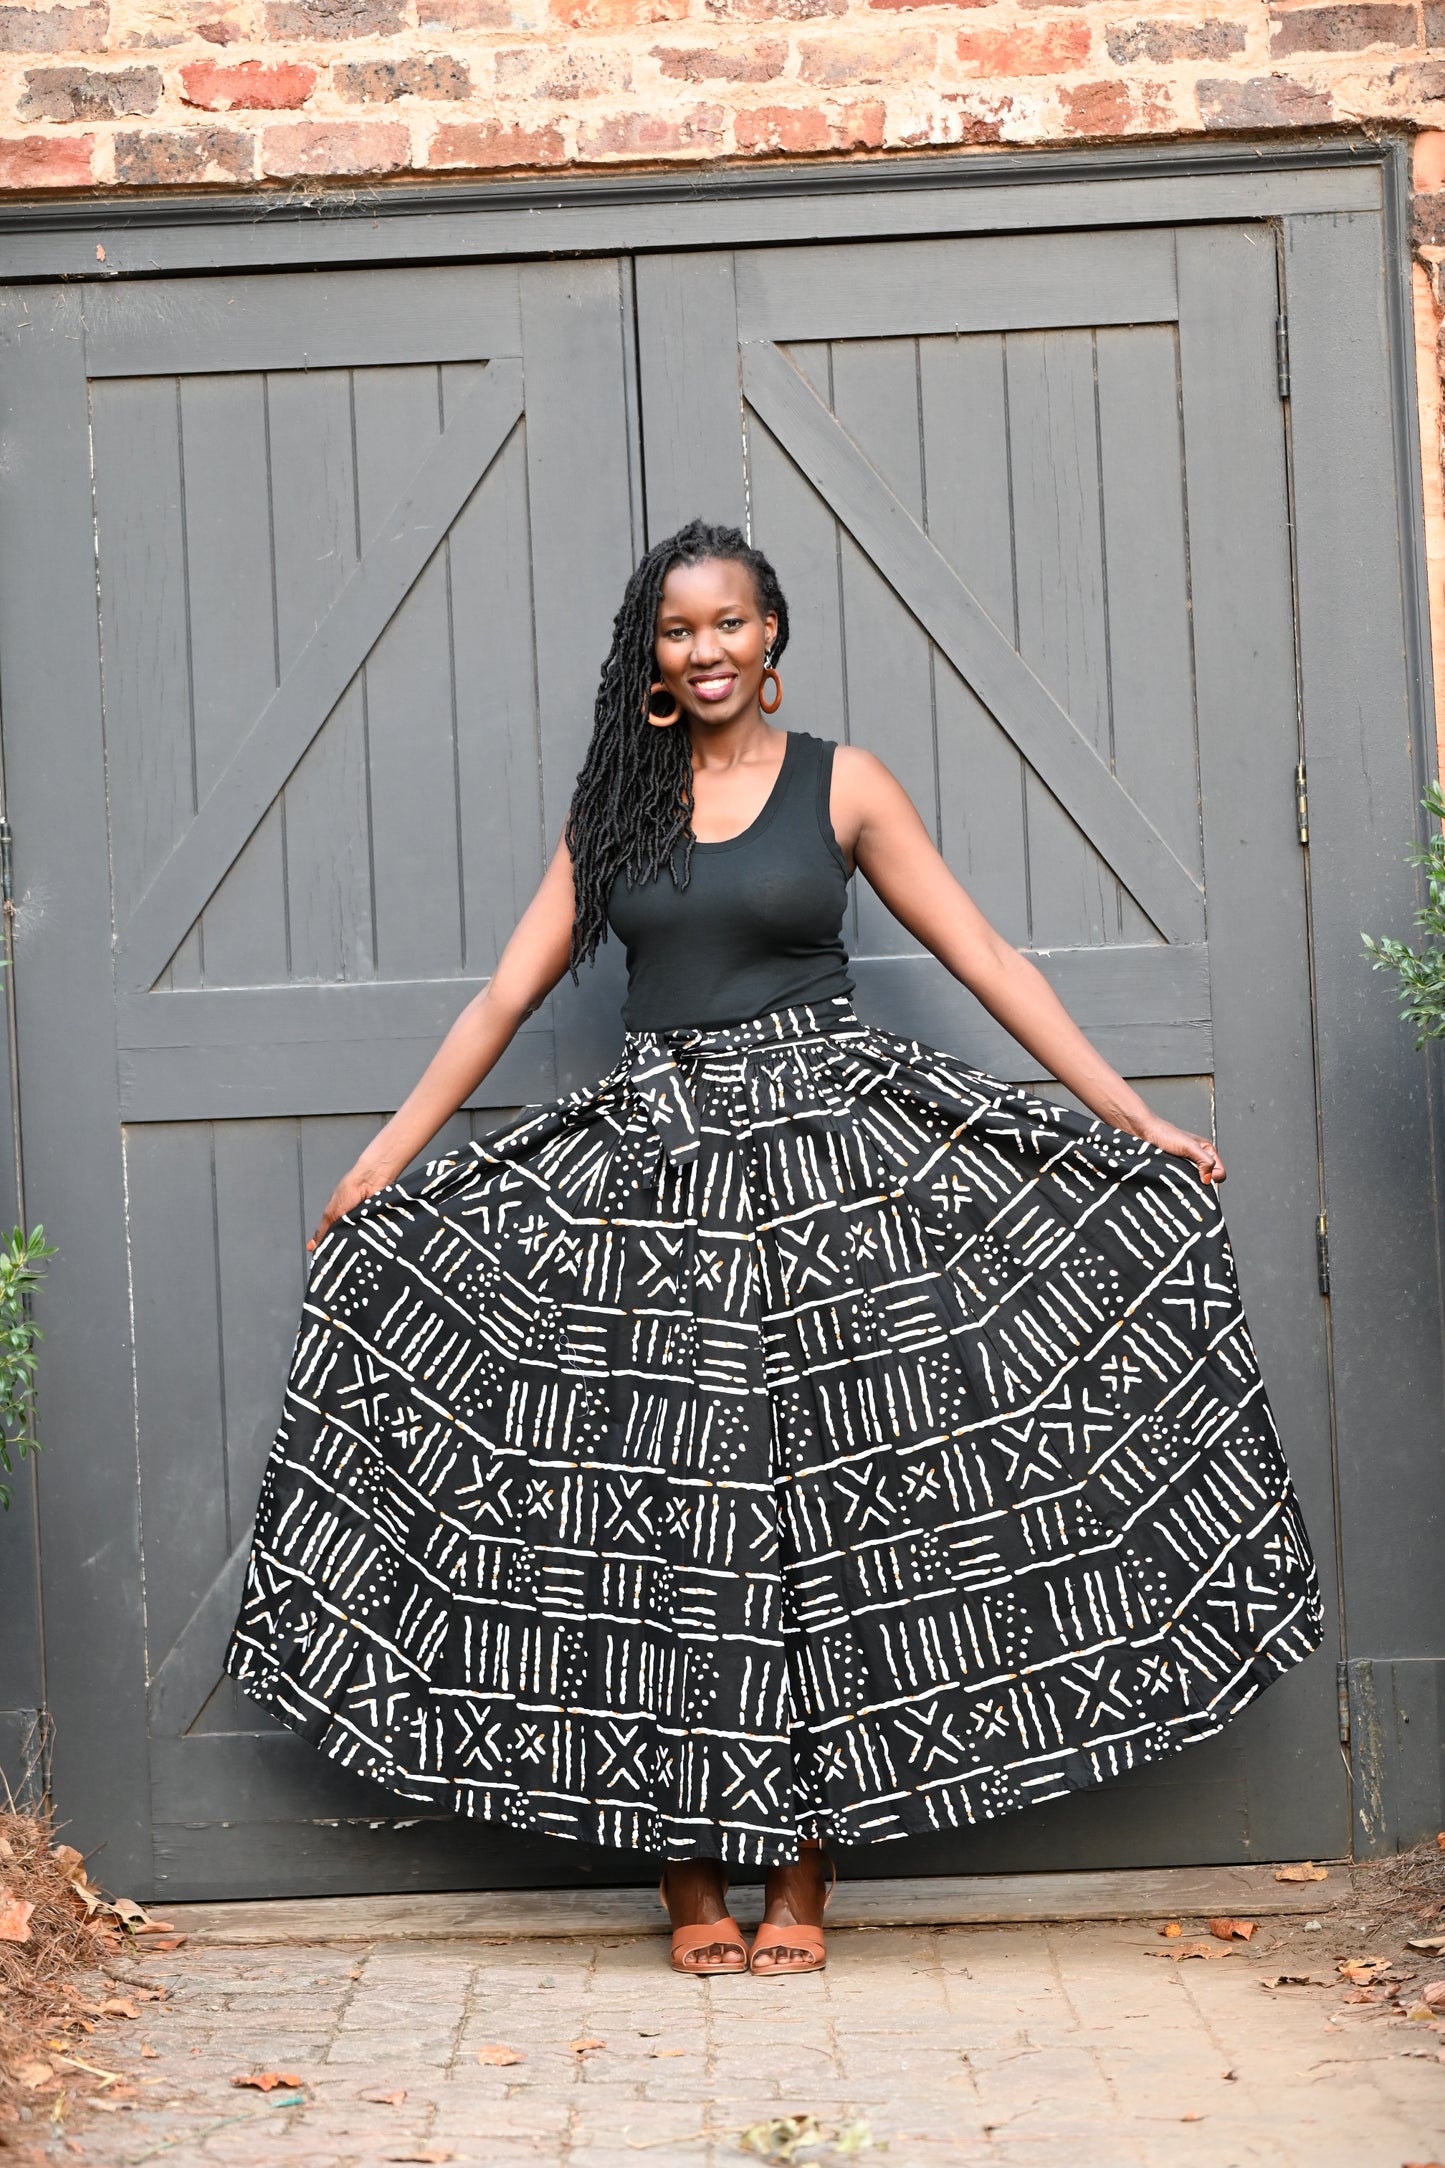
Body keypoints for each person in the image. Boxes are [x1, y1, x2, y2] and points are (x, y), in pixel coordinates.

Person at [226, 519, 1322, 1979]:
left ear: (770, 636)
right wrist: (381, 1162)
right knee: (647, 1528)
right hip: (654, 1190)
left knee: (835, 1527)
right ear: (654, 659)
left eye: (729, 622)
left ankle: (801, 1882)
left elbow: (985, 961)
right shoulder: (615, 808)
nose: (707, 648)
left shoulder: (846, 784)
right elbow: (503, 992)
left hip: (835, 1182)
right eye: (678, 631)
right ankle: (683, 1880)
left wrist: (1130, 1121)